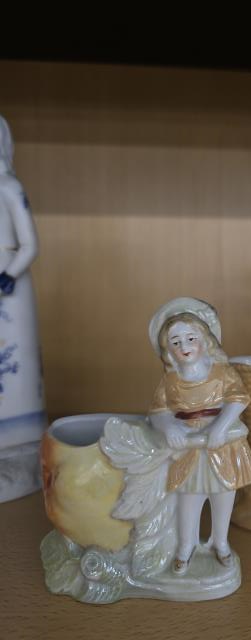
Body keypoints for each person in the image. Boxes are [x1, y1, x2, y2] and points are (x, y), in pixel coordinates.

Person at [148, 298, 251, 574]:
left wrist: (220, 427)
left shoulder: (222, 372)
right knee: (190, 497)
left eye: (190, 338)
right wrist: (169, 427)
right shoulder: (170, 381)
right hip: (189, 447)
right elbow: (158, 411)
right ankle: (186, 546)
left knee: (223, 495)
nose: (184, 346)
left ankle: (220, 542)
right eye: (175, 342)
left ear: (204, 339)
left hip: (222, 444)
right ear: (168, 350)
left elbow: (239, 398)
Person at [0, 115, 46, 501]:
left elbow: (30, 243)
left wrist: (9, 273)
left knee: (14, 364)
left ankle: (18, 443)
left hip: (9, 285)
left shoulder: (9, 186)